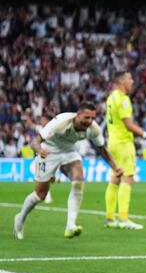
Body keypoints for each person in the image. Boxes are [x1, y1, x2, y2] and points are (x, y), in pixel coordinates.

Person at [13, 102, 123, 240]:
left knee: (78, 181)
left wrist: (115, 167)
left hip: (70, 152)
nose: (90, 121)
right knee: (40, 195)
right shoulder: (61, 122)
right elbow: (35, 141)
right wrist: (40, 150)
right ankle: (20, 217)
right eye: (86, 117)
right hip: (48, 152)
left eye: (92, 118)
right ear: (77, 115)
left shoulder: (93, 129)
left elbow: (102, 149)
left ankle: (70, 226)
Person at [104, 71, 146, 230]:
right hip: (123, 143)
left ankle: (110, 218)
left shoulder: (111, 97)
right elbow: (128, 125)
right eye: (130, 78)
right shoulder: (123, 99)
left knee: (115, 179)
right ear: (122, 81)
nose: (132, 81)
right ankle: (123, 219)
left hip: (112, 142)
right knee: (127, 178)